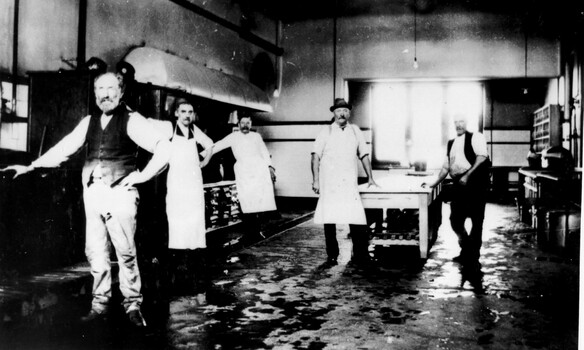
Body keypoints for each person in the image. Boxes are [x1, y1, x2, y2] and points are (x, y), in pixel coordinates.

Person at [0, 72, 171, 327]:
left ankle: (133, 305)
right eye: (100, 89)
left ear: (121, 92)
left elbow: (163, 146)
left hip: (120, 194)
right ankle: (99, 304)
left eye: (111, 88)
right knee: (95, 252)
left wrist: (142, 176)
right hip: (94, 193)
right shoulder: (89, 121)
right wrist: (32, 166)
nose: (105, 94)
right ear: (94, 94)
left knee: (125, 252)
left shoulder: (132, 120)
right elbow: (65, 147)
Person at [148, 98, 214, 296]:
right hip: (177, 184)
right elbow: (149, 123)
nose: (187, 115)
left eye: (190, 112)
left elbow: (210, 145)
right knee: (177, 222)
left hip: (194, 184)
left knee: (194, 223)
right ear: (176, 113)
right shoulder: (169, 129)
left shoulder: (196, 131)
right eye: (183, 111)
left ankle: (193, 266)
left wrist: (204, 161)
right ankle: (178, 267)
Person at [311, 98, 378, 268]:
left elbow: (363, 154)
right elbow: (315, 156)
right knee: (329, 219)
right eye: (339, 110)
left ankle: (361, 254)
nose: (342, 113)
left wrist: (371, 177)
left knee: (355, 217)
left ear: (349, 113)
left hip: (349, 183)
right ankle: (332, 255)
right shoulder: (325, 131)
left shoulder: (355, 131)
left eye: (345, 110)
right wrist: (316, 180)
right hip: (330, 183)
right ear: (333, 113)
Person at [422, 115, 490, 265]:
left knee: (476, 221)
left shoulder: (476, 137)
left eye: (462, 121)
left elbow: (482, 157)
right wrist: (432, 184)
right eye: (456, 122)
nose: (459, 125)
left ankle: (473, 256)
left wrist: (468, 175)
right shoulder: (451, 143)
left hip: (476, 183)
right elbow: (446, 167)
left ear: (467, 122)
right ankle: (466, 247)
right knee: (455, 220)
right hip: (459, 184)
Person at [211, 114, 277, 242]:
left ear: (251, 124)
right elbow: (218, 145)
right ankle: (248, 233)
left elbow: (264, 152)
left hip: (259, 172)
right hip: (244, 173)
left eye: (248, 123)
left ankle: (257, 232)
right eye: (243, 123)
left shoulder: (256, 136)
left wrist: (270, 167)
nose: (245, 125)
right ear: (238, 124)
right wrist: (201, 154)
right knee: (246, 203)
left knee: (258, 204)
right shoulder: (233, 137)